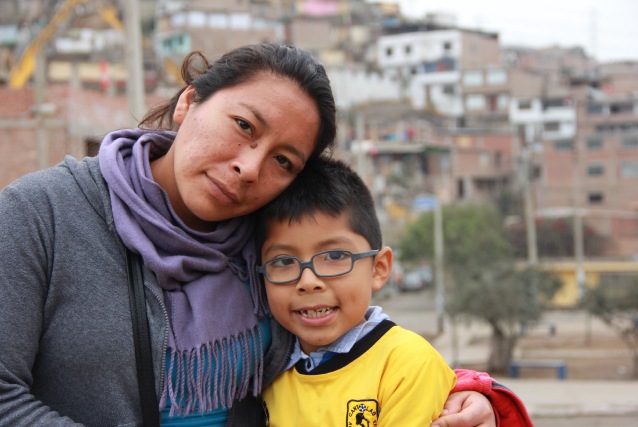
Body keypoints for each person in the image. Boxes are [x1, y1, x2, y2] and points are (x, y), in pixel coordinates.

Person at [0, 42, 526, 426]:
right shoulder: (42, 213)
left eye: (283, 160)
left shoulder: (270, 243)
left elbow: (353, 346)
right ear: (189, 103)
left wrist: (474, 395)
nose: (250, 168)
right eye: (244, 125)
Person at [255, 157, 457, 425]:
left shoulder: (408, 366)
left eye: (335, 255)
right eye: (283, 262)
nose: (308, 281)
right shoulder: (264, 369)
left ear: (378, 268)